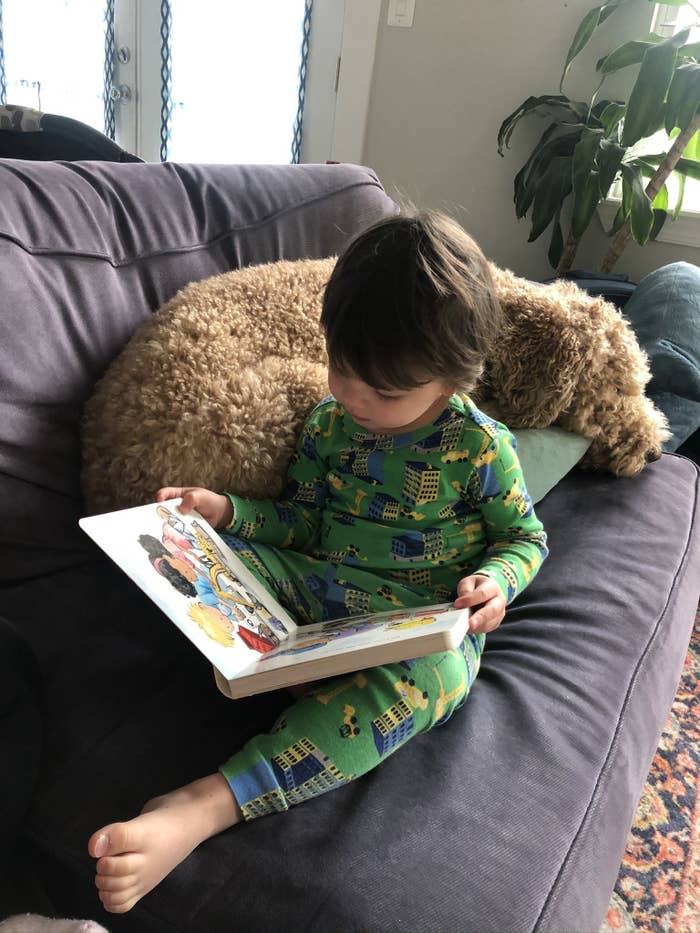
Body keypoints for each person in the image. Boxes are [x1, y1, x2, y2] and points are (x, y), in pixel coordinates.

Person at [87, 210, 549, 913]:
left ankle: (210, 802)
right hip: (317, 587)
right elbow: (302, 523)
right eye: (339, 365)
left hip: (412, 626)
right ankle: (263, 660)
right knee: (206, 552)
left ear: (454, 379)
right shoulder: (330, 425)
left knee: (434, 678)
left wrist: (498, 579)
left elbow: (526, 537)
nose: (350, 395)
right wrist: (228, 514)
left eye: (385, 391)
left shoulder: (481, 448)